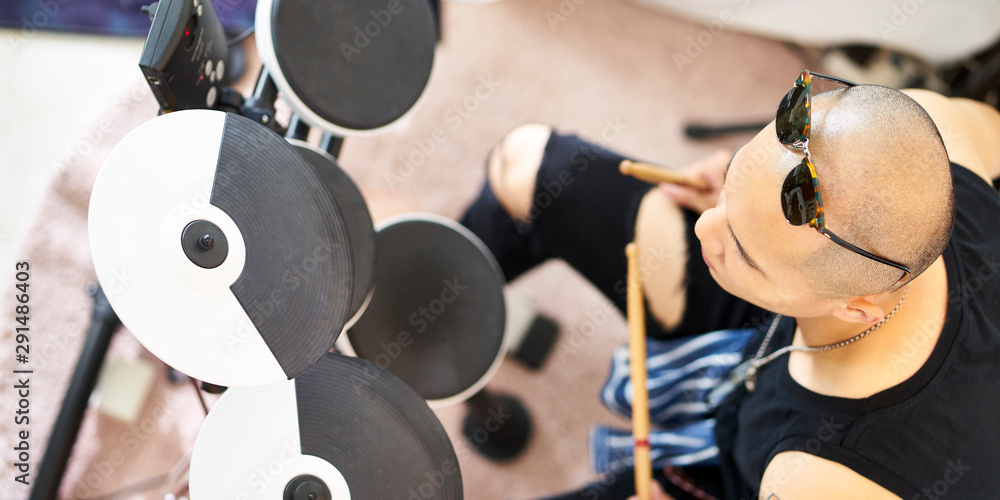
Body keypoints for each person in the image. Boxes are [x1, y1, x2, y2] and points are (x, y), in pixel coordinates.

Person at [459, 72, 1000, 499]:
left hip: (745, 469)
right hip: (770, 323)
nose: (702, 228)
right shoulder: (936, 132)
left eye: (741, 246)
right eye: (736, 182)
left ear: (858, 308)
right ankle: (438, 319)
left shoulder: (827, 479)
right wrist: (747, 196)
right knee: (528, 162)